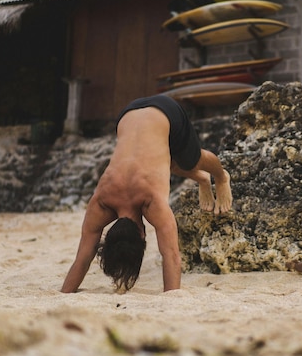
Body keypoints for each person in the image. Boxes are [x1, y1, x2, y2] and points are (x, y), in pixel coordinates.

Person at [60, 95, 232, 293]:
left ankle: (220, 177)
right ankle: (202, 179)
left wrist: (171, 297)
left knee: (191, 160)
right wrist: (64, 294)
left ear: (142, 235)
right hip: (128, 113)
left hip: (167, 112)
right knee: (164, 159)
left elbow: (172, 256)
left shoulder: (152, 202)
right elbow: (82, 259)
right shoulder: (101, 202)